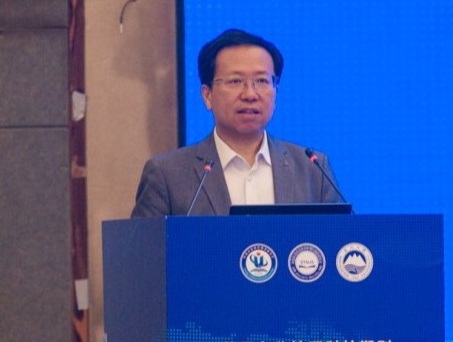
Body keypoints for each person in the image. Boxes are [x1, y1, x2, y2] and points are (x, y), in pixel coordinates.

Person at [131, 28, 343, 217]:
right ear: (207, 95)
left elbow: (341, 242)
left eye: (262, 81)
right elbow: (145, 249)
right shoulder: (167, 175)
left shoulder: (313, 169)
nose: (250, 94)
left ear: (275, 91)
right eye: (235, 81)